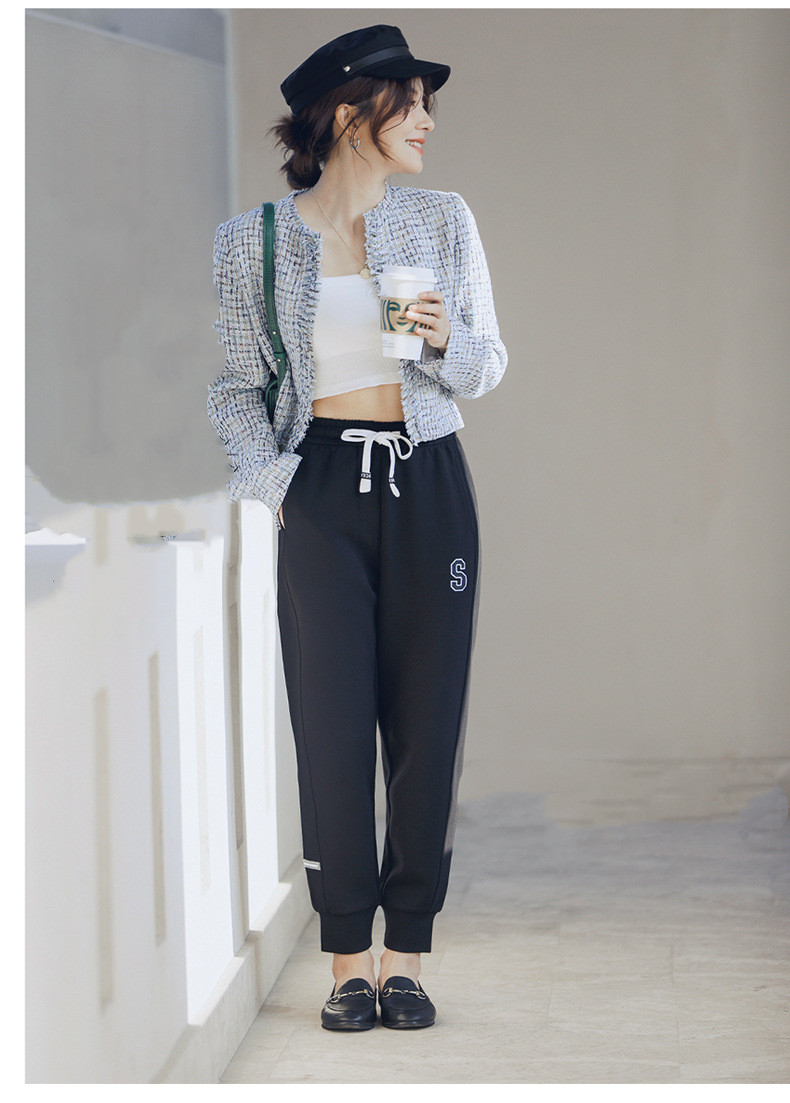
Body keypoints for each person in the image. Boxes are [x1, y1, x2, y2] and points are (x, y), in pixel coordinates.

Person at [207, 24, 507, 1030]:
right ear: (348, 114)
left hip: (430, 480)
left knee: (427, 724)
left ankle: (406, 955)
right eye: (408, 104)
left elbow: (486, 365)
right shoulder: (254, 240)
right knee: (330, 725)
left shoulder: (440, 220)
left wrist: (445, 338)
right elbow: (235, 388)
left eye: (426, 106)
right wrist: (273, 486)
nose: (426, 123)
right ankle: (345, 962)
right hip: (322, 489)